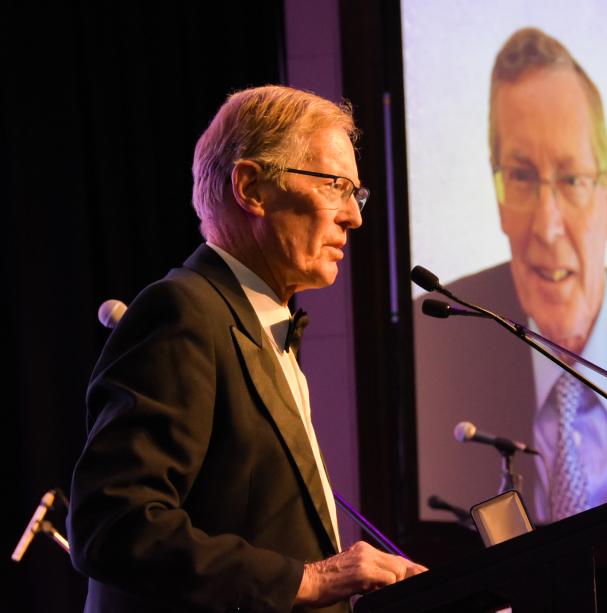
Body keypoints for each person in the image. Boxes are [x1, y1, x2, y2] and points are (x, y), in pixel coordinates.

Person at [68, 85, 425, 613]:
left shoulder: (260, 326)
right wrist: (310, 579)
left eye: (357, 192)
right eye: (336, 185)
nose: (355, 216)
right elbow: (113, 523)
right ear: (252, 187)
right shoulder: (184, 312)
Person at [414, 28, 607, 526]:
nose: (548, 226)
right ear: (497, 195)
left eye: (573, 180)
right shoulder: (441, 333)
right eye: (521, 177)